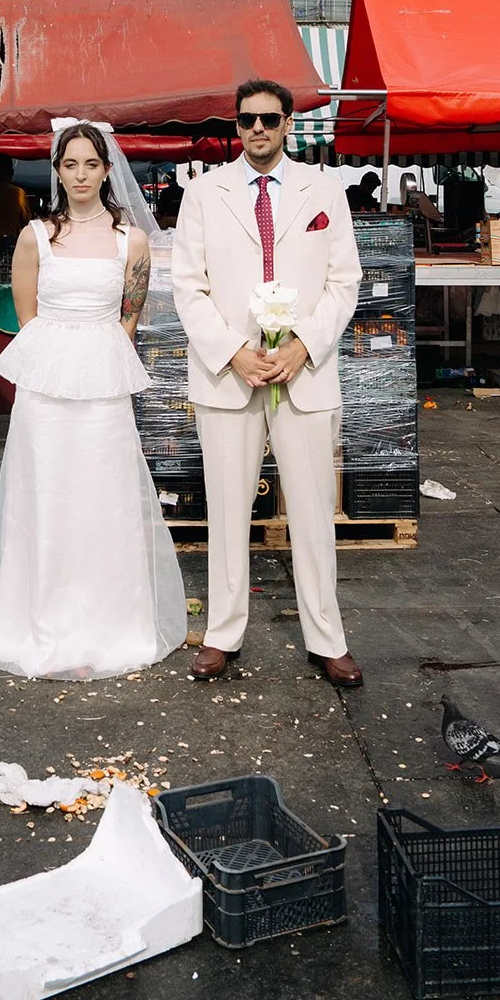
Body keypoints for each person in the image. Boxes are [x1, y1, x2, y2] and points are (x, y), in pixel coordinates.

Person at [171, 78, 364, 687]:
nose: (258, 129)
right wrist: (233, 353)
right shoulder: (203, 194)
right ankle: (223, 635)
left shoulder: (324, 187)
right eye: (248, 120)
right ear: (236, 126)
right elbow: (187, 287)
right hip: (230, 377)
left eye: (270, 119)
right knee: (227, 512)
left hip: (302, 374)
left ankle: (327, 639)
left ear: (288, 125)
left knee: (313, 514)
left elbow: (344, 281)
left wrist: (304, 345)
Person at [0, 121, 186, 679]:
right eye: (70, 165)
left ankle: (111, 622)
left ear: (107, 168)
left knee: (104, 494)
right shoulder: (34, 236)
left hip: (103, 383)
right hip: (45, 385)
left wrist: (99, 367)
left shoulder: (131, 241)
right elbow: (28, 319)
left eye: (90, 164)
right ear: (57, 170)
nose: (80, 175)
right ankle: (40, 618)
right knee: (45, 494)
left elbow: (130, 318)